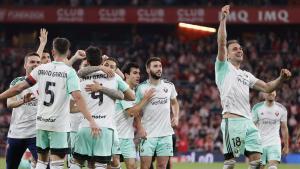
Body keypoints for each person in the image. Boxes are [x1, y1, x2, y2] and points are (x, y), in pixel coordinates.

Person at [0, 37, 99, 169]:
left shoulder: (41, 69)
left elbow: (18, 88)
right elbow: (78, 98)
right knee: (56, 163)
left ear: (53, 52)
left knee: (41, 162)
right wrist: (91, 120)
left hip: (41, 123)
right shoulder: (70, 72)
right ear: (68, 52)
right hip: (58, 124)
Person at [215, 5, 291, 169]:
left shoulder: (246, 74)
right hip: (232, 121)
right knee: (230, 163)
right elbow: (221, 42)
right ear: (227, 54)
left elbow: (267, 88)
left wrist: (281, 78)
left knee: (257, 161)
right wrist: (223, 19)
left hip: (248, 122)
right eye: (235, 49)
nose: (239, 50)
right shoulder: (222, 67)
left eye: (240, 48)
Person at [70, 46, 134, 169]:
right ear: (101, 60)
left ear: (87, 62)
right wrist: (116, 94)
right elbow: (131, 96)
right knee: (101, 165)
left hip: (85, 126)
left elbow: (71, 107)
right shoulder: (113, 76)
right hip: (105, 127)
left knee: (77, 162)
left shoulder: (80, 78)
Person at [136, 57, 179, 169]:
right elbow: (136, 111)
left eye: (160, 66)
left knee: (162, 166)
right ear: (148, 69)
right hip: (147, 134)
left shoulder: (169, 86)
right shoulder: (141, 88)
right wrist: (139, 127)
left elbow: (174, 103)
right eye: (155, 66)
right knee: (145, 166)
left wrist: (176, 116)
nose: (159, 69)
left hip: (165, 134)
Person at [6, 52, 41, 169]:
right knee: (11, 167)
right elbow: (9, 103)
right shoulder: (17, 82)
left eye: (38, 62)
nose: (35, 64)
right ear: (25, 65)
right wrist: (22, 101)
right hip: (16, 134)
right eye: (32, 62)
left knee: (46, 166)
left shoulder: (44, 82)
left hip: (36, 134)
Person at [252, 91, 289, 169]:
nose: (271, 93)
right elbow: (252, 127)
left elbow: (284, 128)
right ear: (264, 94)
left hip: (274, 143)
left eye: (273, 91)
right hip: (259, 144)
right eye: (268, 91)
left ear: (275, 93)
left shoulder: (282, 109)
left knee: (273, 167)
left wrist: (286, 146)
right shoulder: (256, 108)